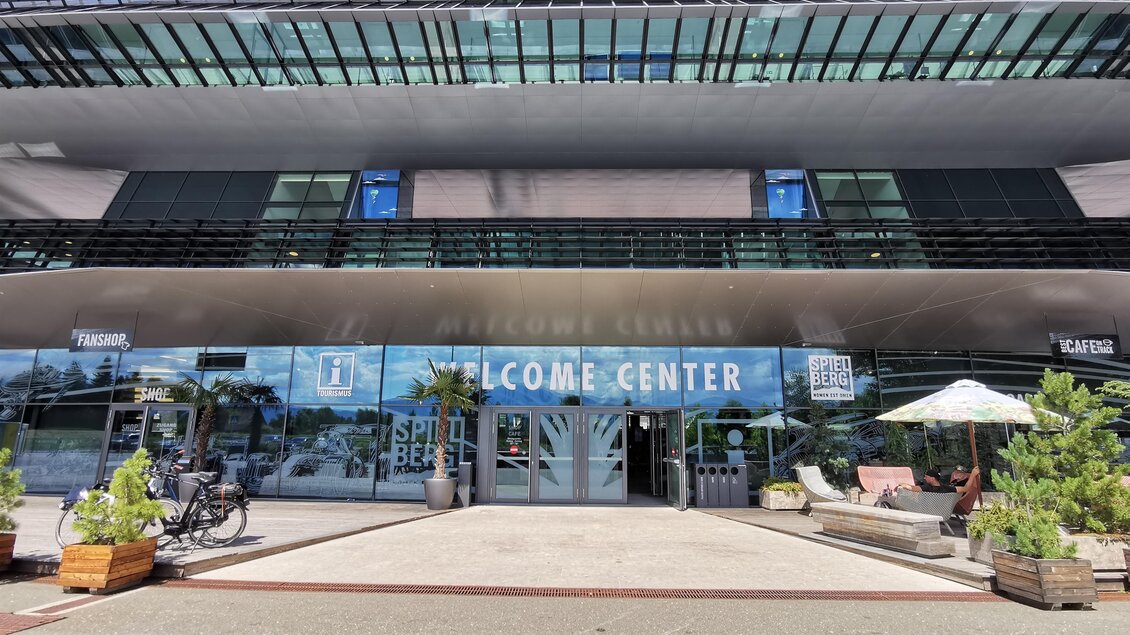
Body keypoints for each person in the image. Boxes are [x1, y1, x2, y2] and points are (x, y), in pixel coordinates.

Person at [897, 465, 979, 495]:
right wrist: (972, 475)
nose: (924, 478)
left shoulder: (927, 488)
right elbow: (966, 488)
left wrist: (901, 484)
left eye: (926, 476)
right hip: (944, 511)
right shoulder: (947, 488)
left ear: (932, 478)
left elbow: (911, 488)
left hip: (927, 512)